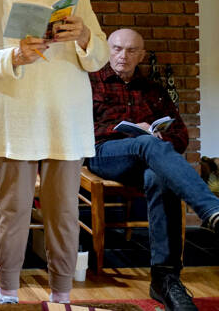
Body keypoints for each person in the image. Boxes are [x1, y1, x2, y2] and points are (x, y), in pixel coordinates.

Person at [0, 0, 109, 304]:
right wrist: (14, 56)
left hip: (63, 112)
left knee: (64, 210)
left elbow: (98, 54)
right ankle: (8, 292)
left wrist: (84, 35)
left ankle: (62, 293)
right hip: (14, 112)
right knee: (11, 209)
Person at [88, 28, 219, 311]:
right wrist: (134, 135)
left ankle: (165, 279)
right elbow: (78, 130)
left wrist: (158, 138)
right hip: (104, 155)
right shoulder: (89, 82)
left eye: (131, 50)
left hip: (148, 160)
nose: (123, 56)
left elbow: (181, 135)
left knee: (159, 175)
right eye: (117, 48)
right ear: (106, 49)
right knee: (147, 144)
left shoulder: (154, 90)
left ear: (142, 55)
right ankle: (211, 209)